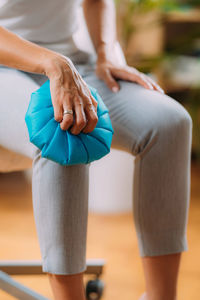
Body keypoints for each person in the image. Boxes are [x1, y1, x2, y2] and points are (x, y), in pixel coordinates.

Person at [0, 1, 192, 300]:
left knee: (169, 124)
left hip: (73, 65)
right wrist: (52, 63)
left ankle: (160, 295)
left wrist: (106, 52)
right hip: (7, 71)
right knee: (64, 132)